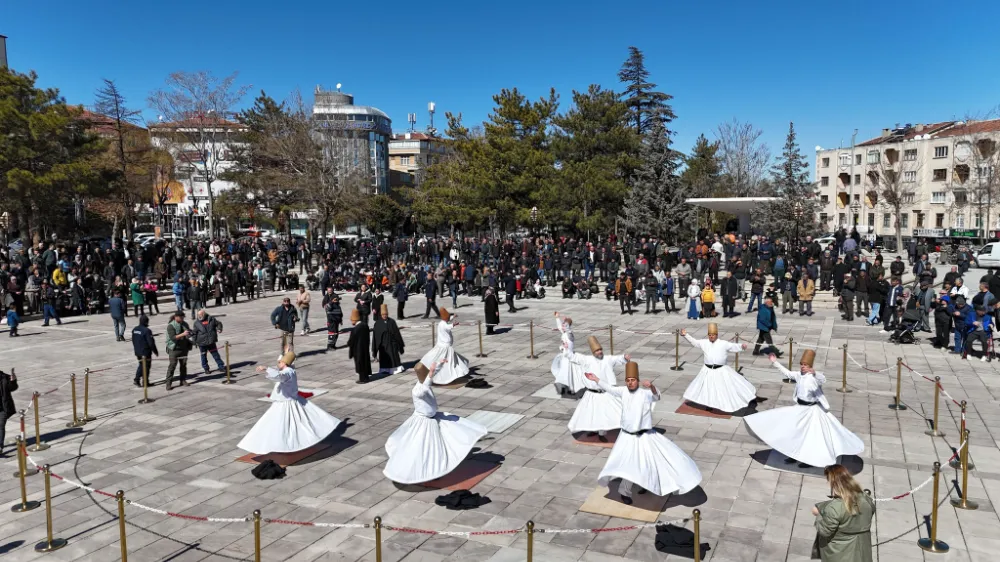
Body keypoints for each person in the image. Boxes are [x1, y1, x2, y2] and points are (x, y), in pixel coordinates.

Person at [588, 362, 702, 505]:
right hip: (627, 437)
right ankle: (624, 492)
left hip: (644, 436)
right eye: (628, 381)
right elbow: (609, 388)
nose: (630, 383)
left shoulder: (645, 394)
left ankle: (646, 484)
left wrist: (652, 387)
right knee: (629, 465)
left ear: (637, 381)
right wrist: (596, 379)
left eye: (633, 380)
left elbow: (657, 396)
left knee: (648, 462)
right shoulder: (623, 391)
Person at [743, 351, 864, 468]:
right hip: (799, 409)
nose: (803, 367)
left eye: (805, 365)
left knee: (810, 436)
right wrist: (775, 362)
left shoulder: (813, 378)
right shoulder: (798, 375)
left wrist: (815, 372)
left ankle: (809, 459)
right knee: (794, 433)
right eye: (802, 364)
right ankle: (793, 455)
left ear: (810, 366)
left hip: (811, 411)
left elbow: (823, 379)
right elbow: (787, 373)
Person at [382, 361, 488, 484]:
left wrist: (436, 368)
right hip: (424, 421)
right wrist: (433, 371)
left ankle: (431, 467)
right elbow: (427, 384)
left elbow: (428, 381)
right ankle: (430, 469)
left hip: (430, 418)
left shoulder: (420, 385)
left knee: (435, 440)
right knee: (427, 446)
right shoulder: (419, 390)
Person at [237, 351, 342, 454]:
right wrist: (288, 352)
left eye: (279, 362)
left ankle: (288, 444)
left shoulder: (288, 372)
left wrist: (266, 368)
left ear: (284, 363)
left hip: (286, 403)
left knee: (285, 425)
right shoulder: (290, 370)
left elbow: (279, 376)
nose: (278, 364)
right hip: (286, 401)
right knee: (291, 423)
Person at [681, 324, 756, 413]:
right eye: (710, 335)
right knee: (708, 388)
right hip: (707, 370)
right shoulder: (704, 342)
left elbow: (732, 346)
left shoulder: (723, 343)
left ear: (716, 335)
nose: (711, 337)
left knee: (723, 388)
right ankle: (709, 404)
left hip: (720, 370)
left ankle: (727, 402)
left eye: (713, 335)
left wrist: (741, 346)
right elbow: (694, 342)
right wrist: (686, 335)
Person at [567, 336, 627, 441]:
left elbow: (618, 359)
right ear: (593, 352)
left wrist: (624, 357)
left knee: (606, 412)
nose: (599, 352)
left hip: (605, 392)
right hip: (592, 393)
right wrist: (568, 345)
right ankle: (593, 430)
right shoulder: (586, 360)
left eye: (600, 350)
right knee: (591, 413)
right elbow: (572, 356)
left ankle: (601, 433)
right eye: (597, 351)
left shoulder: (607, 359)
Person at [812, 465, 875, 562]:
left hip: (839, 554)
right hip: (862, 551)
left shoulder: (834, 508)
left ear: (833, 483)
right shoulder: (866, 499)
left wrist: (820, 514)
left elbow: (824, 531)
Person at [419, 308, 470, 384]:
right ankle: (447, 376)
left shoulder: (443, 322)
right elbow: (447, 326)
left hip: (444, 346)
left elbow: (447, 321)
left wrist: (453, 316)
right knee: (449, 361)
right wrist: (454, 324)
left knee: (452, 360)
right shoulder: (443, 324)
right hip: (445, 347)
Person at [551, 312, 587, 395]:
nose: (563, 327)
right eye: (563, 325)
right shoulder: (565, 333)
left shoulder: (569, 335)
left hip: (568, 358)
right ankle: (565, 387)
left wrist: (562, 348)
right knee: (564, 373)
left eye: (565, 325)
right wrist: (557, 318)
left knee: (568, 373)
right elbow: (560, 327)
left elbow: (568, 347)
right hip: (564, 357)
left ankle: (571, 388)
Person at [372, 304, 406, 375]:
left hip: (392, 343)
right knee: (384, 358)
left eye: (386, 314)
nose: (384, 316)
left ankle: (395, 369)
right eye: (383, 314)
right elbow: (375, 337)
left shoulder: (392, 321)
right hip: (383, 345)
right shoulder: (377, 323)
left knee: (394, 356)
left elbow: (397, 333)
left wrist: (400, 345)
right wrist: (375, 348)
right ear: (381, 315)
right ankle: (385, 369)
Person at [191, 309, 226, 375]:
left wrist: (219, 329)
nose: (199, 316)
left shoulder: (211, 319)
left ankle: (221, 366)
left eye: (201, 315)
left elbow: (219, 323)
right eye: (198, 315)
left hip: (211, 341)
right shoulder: (196, 323)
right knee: (203, 356)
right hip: (202, 342)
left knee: (216, 355)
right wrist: (194, 342)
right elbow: (194, 333)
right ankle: (206, 368)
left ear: (204, 314)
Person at [165, 310, 193, 390]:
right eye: (181, 317)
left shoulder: (184, 324)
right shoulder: (171, 326)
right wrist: (183, 334)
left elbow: (188, 332)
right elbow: (173, 337)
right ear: (176, 317)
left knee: (183, 365)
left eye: (183, 317)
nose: (182, 319)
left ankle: (183, 380)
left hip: (184, 348)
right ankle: (168, 383)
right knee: (172, 366)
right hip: (174, 348)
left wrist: (191, 333)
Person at [131, 314, 158, 388]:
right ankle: (144, 382)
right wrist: (155, 351)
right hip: (145, 352)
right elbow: (151, 343)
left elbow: (133, 340)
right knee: (146, 367)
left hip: (137, 352)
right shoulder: (147, 331)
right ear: (146, 322)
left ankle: (137, 380)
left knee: (141, 365)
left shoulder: (135, 329)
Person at [347, 309, 373, 384]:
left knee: (360, 364)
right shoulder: (365, 325)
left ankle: (362, 379)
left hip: (357, 349)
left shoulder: (355, 329)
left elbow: (351, 341)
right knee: (365, 362)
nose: (352, 322)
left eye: (352, 320)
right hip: (365, 348)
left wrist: (348, 343)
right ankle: (366, 377)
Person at [0, 368, 18, 457]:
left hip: (3, 408)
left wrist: (13, 381)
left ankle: (0, 446)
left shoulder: (5, 377)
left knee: (0, 425)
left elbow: (13, 388)